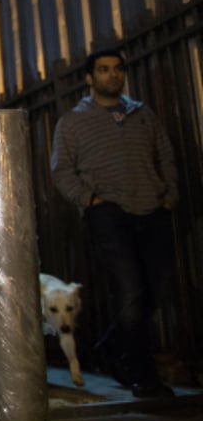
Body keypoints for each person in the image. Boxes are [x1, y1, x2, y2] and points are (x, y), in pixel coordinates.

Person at [50, 47, 178, 399]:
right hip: (109, 214)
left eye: (118, 69)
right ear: (90, 78)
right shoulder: (73, 122)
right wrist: (90, 200)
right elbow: (61, 171)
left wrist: (170, 195)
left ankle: (108, 344)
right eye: (104, 70)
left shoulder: (142, 115)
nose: (113, 75)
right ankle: (142, 377)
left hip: (153, 209)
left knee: (156, 288)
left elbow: (164, 154)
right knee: (130, 289)